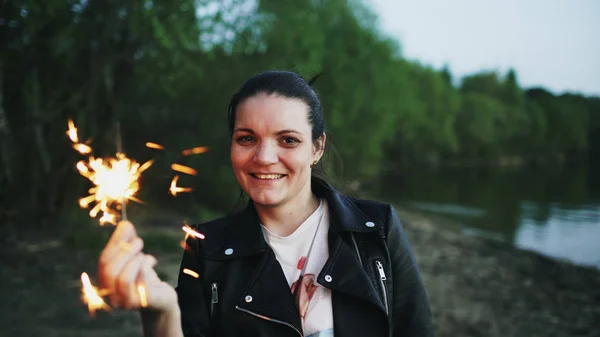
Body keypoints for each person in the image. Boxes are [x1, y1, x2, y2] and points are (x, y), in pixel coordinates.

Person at [97, 70, 434, 337]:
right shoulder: (205, 248)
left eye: (288, 140)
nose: (263, 157)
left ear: (316, 148)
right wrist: (163, 310)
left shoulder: (377, 228)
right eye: (247, 138)